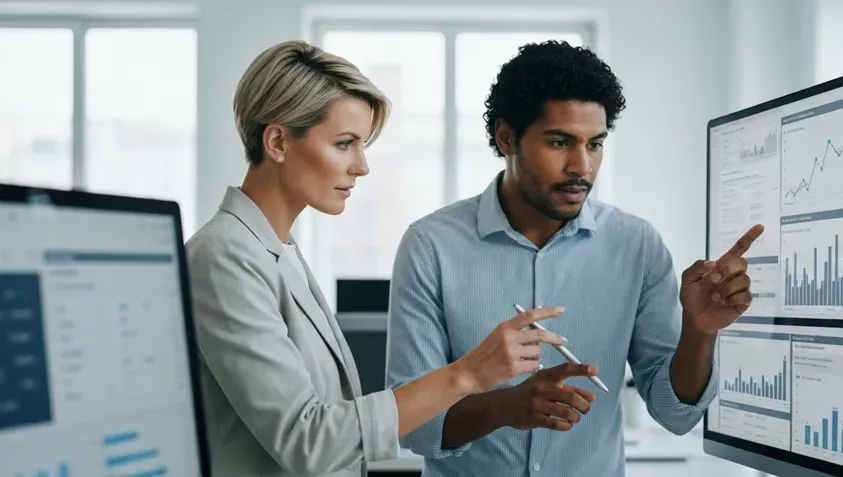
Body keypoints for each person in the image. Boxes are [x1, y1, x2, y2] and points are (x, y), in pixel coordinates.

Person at [185, 40, 575, 477]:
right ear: (277, 141)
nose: (362, 166)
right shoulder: (224, 256)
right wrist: (467, 374)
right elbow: (308, 442)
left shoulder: (279, 250)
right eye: (344, 143)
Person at [385, 40, 763, 476]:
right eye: (560, 142)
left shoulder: (637, 246)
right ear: (506, 138)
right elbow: (413, 426)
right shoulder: (431, 246)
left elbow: (676, 415)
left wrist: (699, 332)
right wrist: (507, 406)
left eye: (595, 144)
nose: (581, 167)